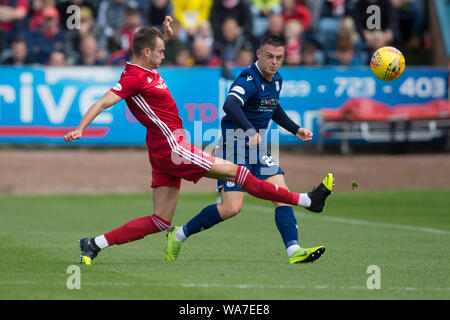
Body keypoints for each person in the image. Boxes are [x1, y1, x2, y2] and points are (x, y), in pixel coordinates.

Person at [64, 16, 333, 265]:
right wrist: (80, 127)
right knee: (238, 173)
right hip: (174, 148)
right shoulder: (134, 78)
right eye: (160, 50)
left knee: (160, 220)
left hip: (159, 150)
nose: (164, 53)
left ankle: (94, 243)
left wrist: (165, 35)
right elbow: (103, 101)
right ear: (147, 52)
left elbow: (150, 50)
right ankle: (307, 201)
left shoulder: (141, 66)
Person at [164, 34, 333, 265]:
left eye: (279, 57)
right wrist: (250, 130)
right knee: (231, 208)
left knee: (282, 195)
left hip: (257, 148)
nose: (274, 62)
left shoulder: (276, 79)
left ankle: (294, 250)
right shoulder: (247, 78)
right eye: (270, 56)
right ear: (259, 54)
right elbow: (230, 104)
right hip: (233, 146)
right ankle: (180, 234)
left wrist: (295, 129)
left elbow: (272, 107)